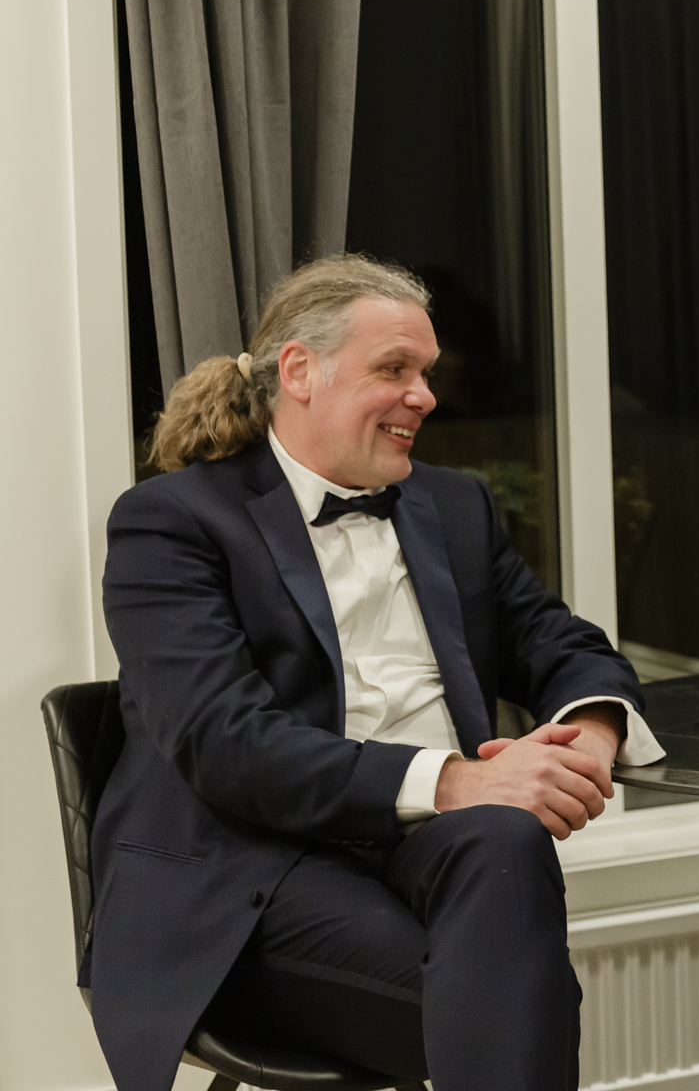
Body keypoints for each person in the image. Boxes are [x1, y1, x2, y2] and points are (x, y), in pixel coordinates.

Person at [89, 255, 663, 1091]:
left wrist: (592, 742)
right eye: (394, 369)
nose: (425, 395)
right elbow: (228, 745)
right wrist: (458, 780)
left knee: (507, 843)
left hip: (430, 853)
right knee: (516, 1008)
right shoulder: (170, 523)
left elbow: (563, 643)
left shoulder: (453, 506)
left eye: (426, 372)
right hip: (253, 872)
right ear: (300, 372)